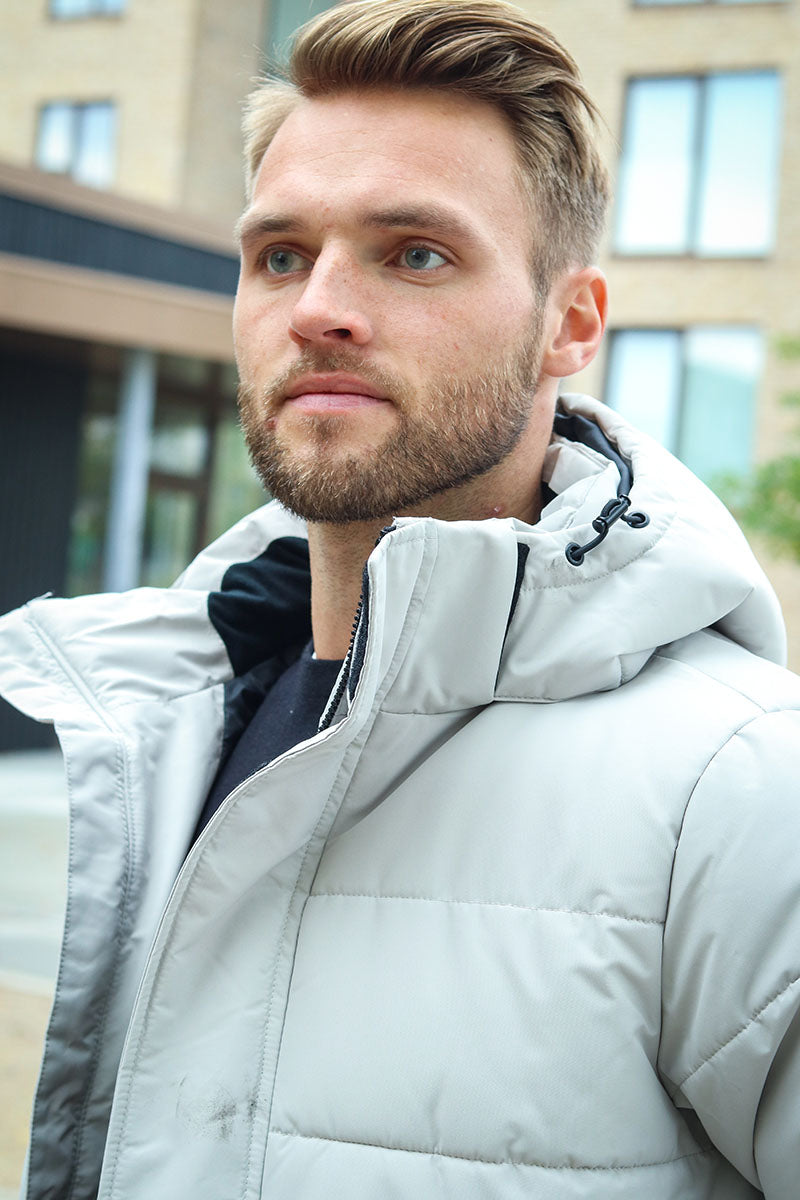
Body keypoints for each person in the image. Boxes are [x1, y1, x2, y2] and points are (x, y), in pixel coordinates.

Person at [2, 1, 799, 1196]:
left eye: (414, 252)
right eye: (279, 256)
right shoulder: (163, 728)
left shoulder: (744, 790)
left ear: (568, 325)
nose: (314, 307)